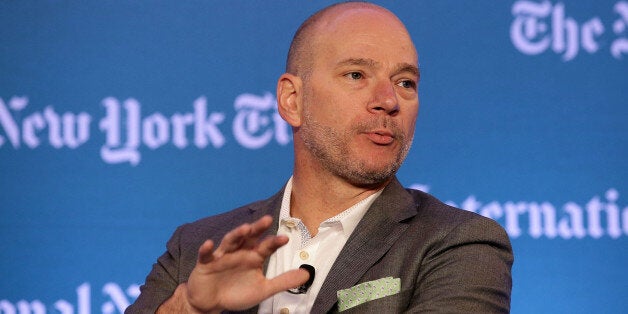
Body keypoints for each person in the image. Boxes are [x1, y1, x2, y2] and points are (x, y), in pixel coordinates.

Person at [126, 2, 513, 313]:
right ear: (292, 101)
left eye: (405, 83)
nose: (388, 101)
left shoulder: (459, 245)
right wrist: (189, 308)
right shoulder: (195, 247)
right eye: (356, 75)